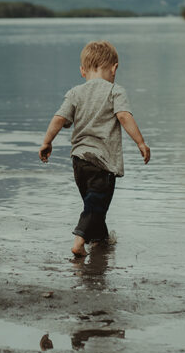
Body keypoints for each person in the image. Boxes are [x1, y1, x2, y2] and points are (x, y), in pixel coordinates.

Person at [39, 40, 150, 257]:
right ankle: (79, 240)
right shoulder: (115, 91)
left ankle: (101, 241)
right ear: (114, 68)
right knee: (95, 205)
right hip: (103, 163)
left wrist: (47, 142)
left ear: (82, 71)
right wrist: (140, 142)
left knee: (94, 205)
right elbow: (124, 116)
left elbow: (59, 118)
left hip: (79, 162)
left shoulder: (75, 93)